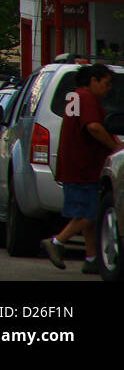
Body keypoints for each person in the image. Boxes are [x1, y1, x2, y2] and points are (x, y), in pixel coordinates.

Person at [42, 63, 122, 272]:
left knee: (85, 214)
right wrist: (116, 146)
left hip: (75, 165)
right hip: (83, 166)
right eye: (106, 83)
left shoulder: (75, 97)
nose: (109, 88)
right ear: (93, 80)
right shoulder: (87, 98)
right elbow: (93, 127)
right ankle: (57, 242)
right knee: (90, 212)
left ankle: (91, 258)